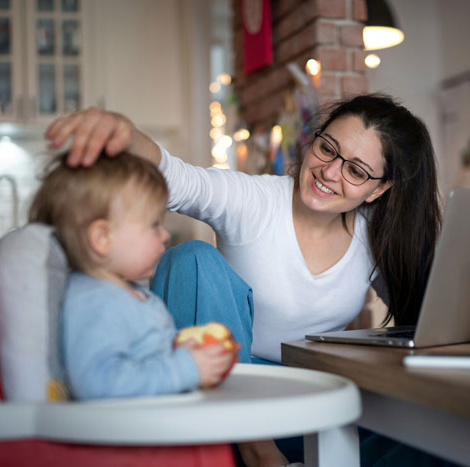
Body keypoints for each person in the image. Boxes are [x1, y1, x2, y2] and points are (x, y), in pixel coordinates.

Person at [45, 93, 442, 466]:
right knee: (193, 258)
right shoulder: (255, 201)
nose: (329, 172)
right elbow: (179, 179)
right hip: (212, 385)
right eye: (326, 148)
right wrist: (127, 135)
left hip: (302, 399)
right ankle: (257, 452)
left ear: (379, 189)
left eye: (356, 170)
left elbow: (428, 319)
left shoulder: (378, 239)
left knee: (432, 437)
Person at [29, 152, 235, 399]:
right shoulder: (93, 302)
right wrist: (185, 367)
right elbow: (97, 384)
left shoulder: (129, 294)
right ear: (103, 238)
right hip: (126, 433)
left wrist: (186, 351)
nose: (165, 235)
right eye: (154, 225)